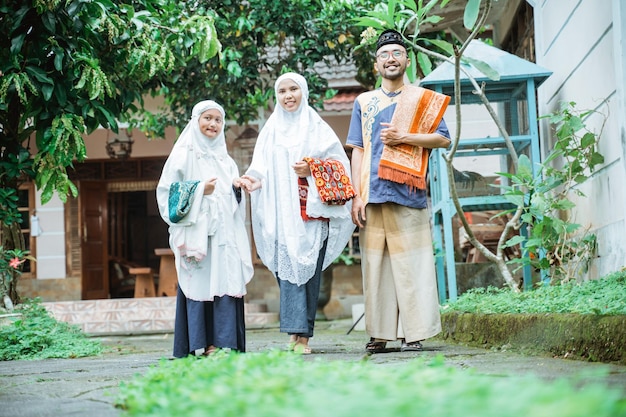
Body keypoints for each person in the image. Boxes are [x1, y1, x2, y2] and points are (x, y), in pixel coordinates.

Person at [346, 29, 451, 353]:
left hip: (409, 192)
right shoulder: (364, 101)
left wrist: (405, 137)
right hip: (373, 195)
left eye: (396, 54)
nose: (390, 59)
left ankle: (414, 332)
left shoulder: (421, 98)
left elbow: (443, 139)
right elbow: (358, 150)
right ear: (376, 64)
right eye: (384, 55)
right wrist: (356, 195)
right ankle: (379, 334)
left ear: (407, 59)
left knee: (413, 264)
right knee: (376, 267)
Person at [242, 72, 355, 354]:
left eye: (293, 89)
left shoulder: (316, 127)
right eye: (282, 91)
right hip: (280, 214)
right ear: (276, 97)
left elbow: (339, 163)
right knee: (288, 272)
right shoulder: (270, 130)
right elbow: (259, 168)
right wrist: (253, 181)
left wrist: (312, 168)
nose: (288, 95)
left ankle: (303, 336)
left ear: (303, 91)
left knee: (309, 273)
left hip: (310, 214)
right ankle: (296, 333)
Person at [156, 100, 254, 358]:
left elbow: (230, 202)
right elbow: (167, 195)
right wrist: (200, 189)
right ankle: (202, 343)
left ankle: (223, 343)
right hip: (198, 236)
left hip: (223, 237)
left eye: (218, 120)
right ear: (196, 120)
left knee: (223, 282)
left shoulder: (226, 161)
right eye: (207, 118)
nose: (212, 124)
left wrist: (235, 186)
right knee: (200, 283)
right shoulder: (181, 156)